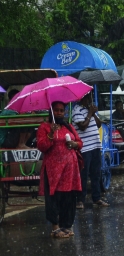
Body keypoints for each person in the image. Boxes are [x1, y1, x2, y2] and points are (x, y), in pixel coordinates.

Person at [37, 101, 83, 238]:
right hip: (53, 171)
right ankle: (55, 228)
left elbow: (80, 142)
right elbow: (42, 146)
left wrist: (74, 144)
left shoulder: (68, 127)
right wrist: (51, 133)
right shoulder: (44, 127)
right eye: (56, 110)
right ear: (51, 112)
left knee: (69, 197)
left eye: (61, 110)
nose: (59, 113)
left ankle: (67, 225)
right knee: (54, 198)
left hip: (70, 171)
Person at [72, 93, 109, 209]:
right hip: (85, 148)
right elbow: (83, 126)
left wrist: (93, 113)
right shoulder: (76, 110)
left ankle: (96, 198)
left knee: (96, 173)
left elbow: (98, 125)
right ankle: (80, 200)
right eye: (88, 97)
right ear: (83, 98)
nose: (89, 100)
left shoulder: (89, 110)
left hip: (95, 146)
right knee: (83, 174)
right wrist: (89, 114)